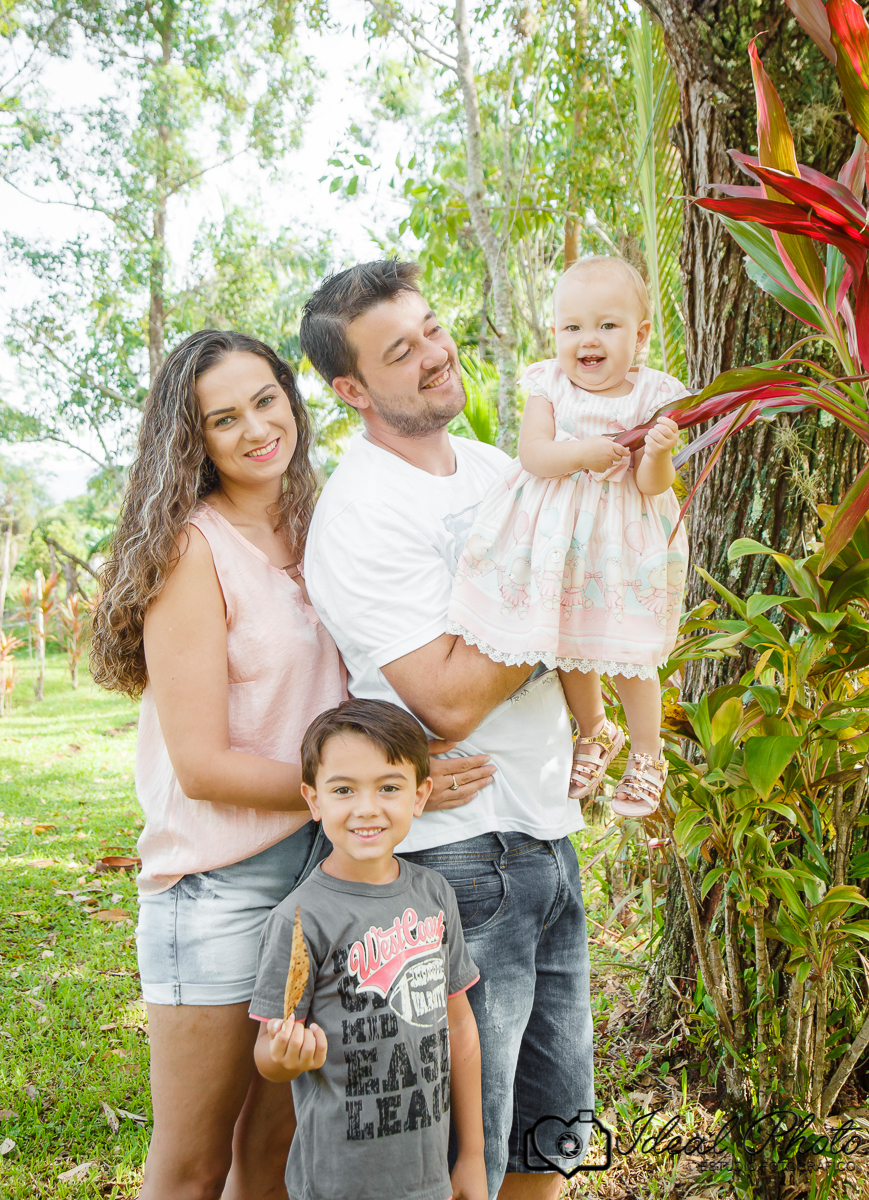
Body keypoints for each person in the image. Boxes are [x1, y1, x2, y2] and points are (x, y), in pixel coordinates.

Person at [89, 330, 490, 1200]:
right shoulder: (191, 551)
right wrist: (360, 795)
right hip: (218, 886)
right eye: (221, 418)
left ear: (293, 398)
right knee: (194, 1162)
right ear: (190, 441)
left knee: (272, 1148)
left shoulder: (316, 525)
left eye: (265, 400)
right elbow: (200, 766)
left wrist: (385, 783)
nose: (254, 428)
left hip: (323, 877)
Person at [300, 260, 594, 1200]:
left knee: (546, 1138)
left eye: (431, 327)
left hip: (544, 833)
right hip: (463, 864)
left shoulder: (491, 465)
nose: (435, 354)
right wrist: (566, 595)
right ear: (351, 390)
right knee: (460, 1151)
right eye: (401, 350)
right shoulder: (360, 515)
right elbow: (451, 700)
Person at [448, 256, 689, 818]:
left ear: (641, 334)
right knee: (567, 639)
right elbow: (534, 454)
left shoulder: (653, 394)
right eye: (573, 327)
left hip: (622, 541)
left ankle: (649, 754)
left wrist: (656, 455)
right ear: (555, 334)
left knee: (628, 651)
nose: (589, 340)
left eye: (608, 325)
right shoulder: (548, 384)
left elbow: (655, 486)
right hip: (559, 540)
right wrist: (582, 452)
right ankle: (595, 729)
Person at [250, 699, 488, 1200]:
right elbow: (267, 1053)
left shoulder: (434, 894)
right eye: (342, 790)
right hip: (338, 1182)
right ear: (314, 800)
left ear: (419, 795)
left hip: (428, 1178)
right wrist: (286, 1057)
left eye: (388, 787)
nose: (366, 808)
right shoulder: (299, 920)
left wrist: (471, 1155)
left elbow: (460, 1027)